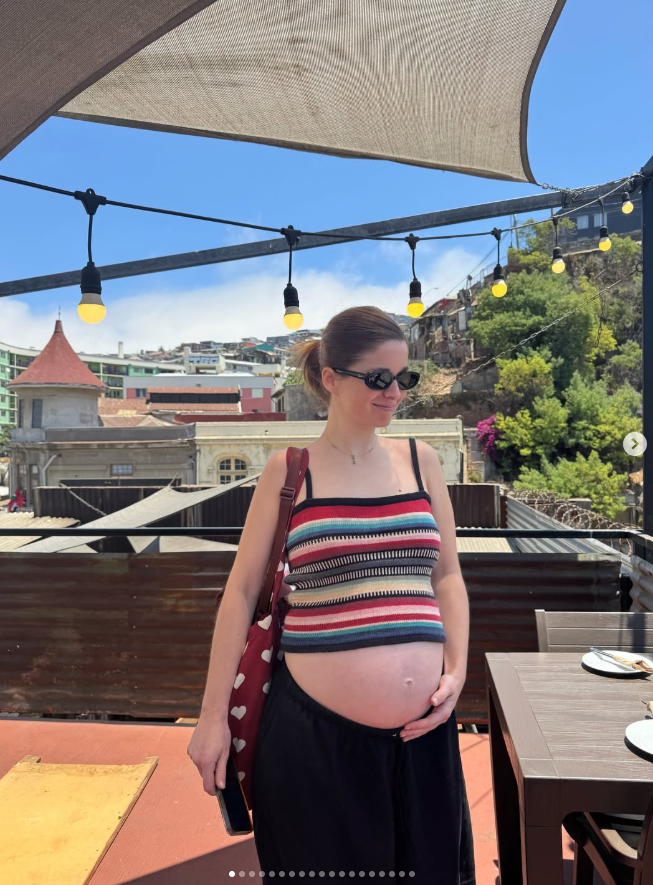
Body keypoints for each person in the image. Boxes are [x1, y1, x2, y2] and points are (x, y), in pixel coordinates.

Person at [188, 306, 476, 883]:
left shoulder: (422, 461)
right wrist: (211, 717)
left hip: (423, 737)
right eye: (378, 378)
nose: (395, 392)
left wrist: (457, 671)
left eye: (405, 377)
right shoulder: (288, 472)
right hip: (314, 743)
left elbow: (447, 575)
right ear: (330, 378)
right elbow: (240, 593)